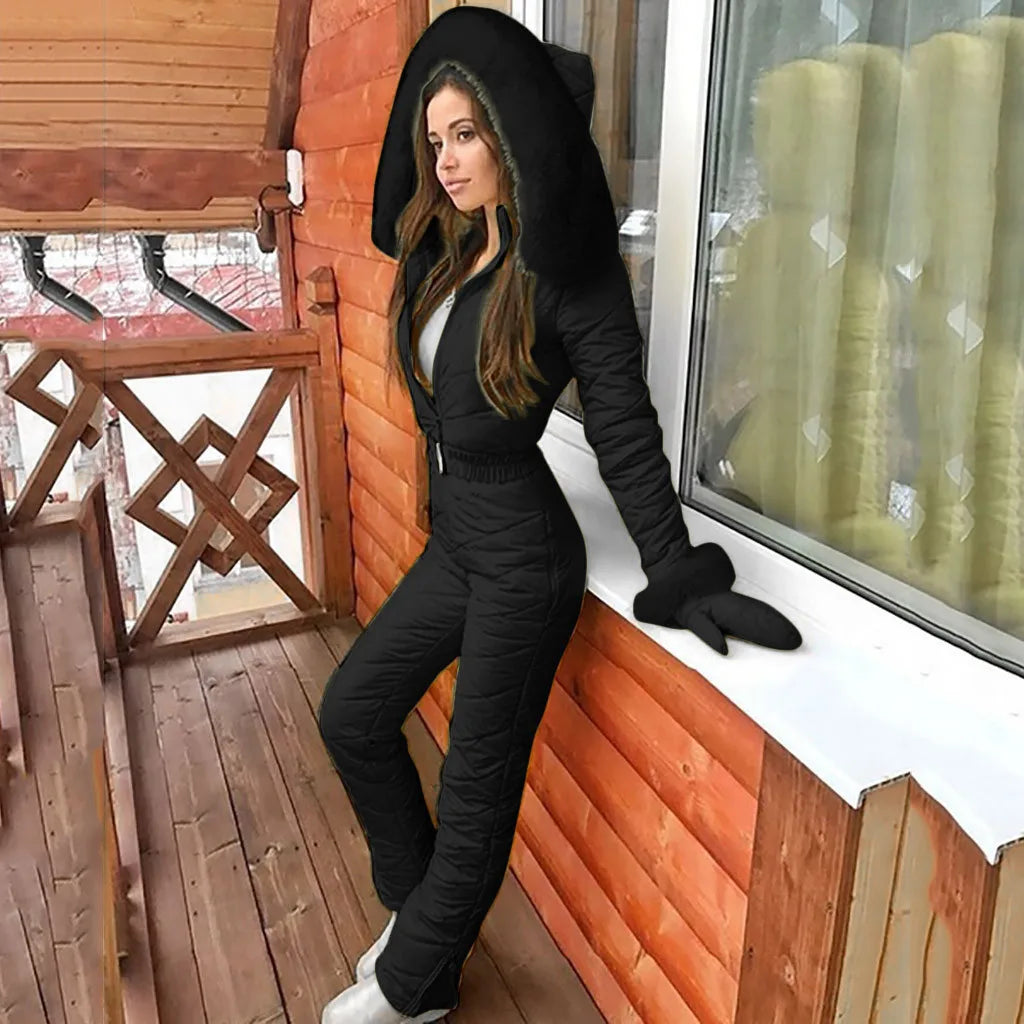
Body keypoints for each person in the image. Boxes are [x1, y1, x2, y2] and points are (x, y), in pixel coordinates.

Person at [317, 8, 802, 1023]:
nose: (448, 160)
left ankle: (414, 989)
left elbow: (620, 425)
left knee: (476, 789)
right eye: (436, 139)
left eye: (468, 134)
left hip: (525, 560)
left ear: (512, 133)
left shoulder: (569, 273)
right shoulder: (452, 252)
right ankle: (418, 914)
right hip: (462, 539)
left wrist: (673, 567)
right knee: (352, 710)